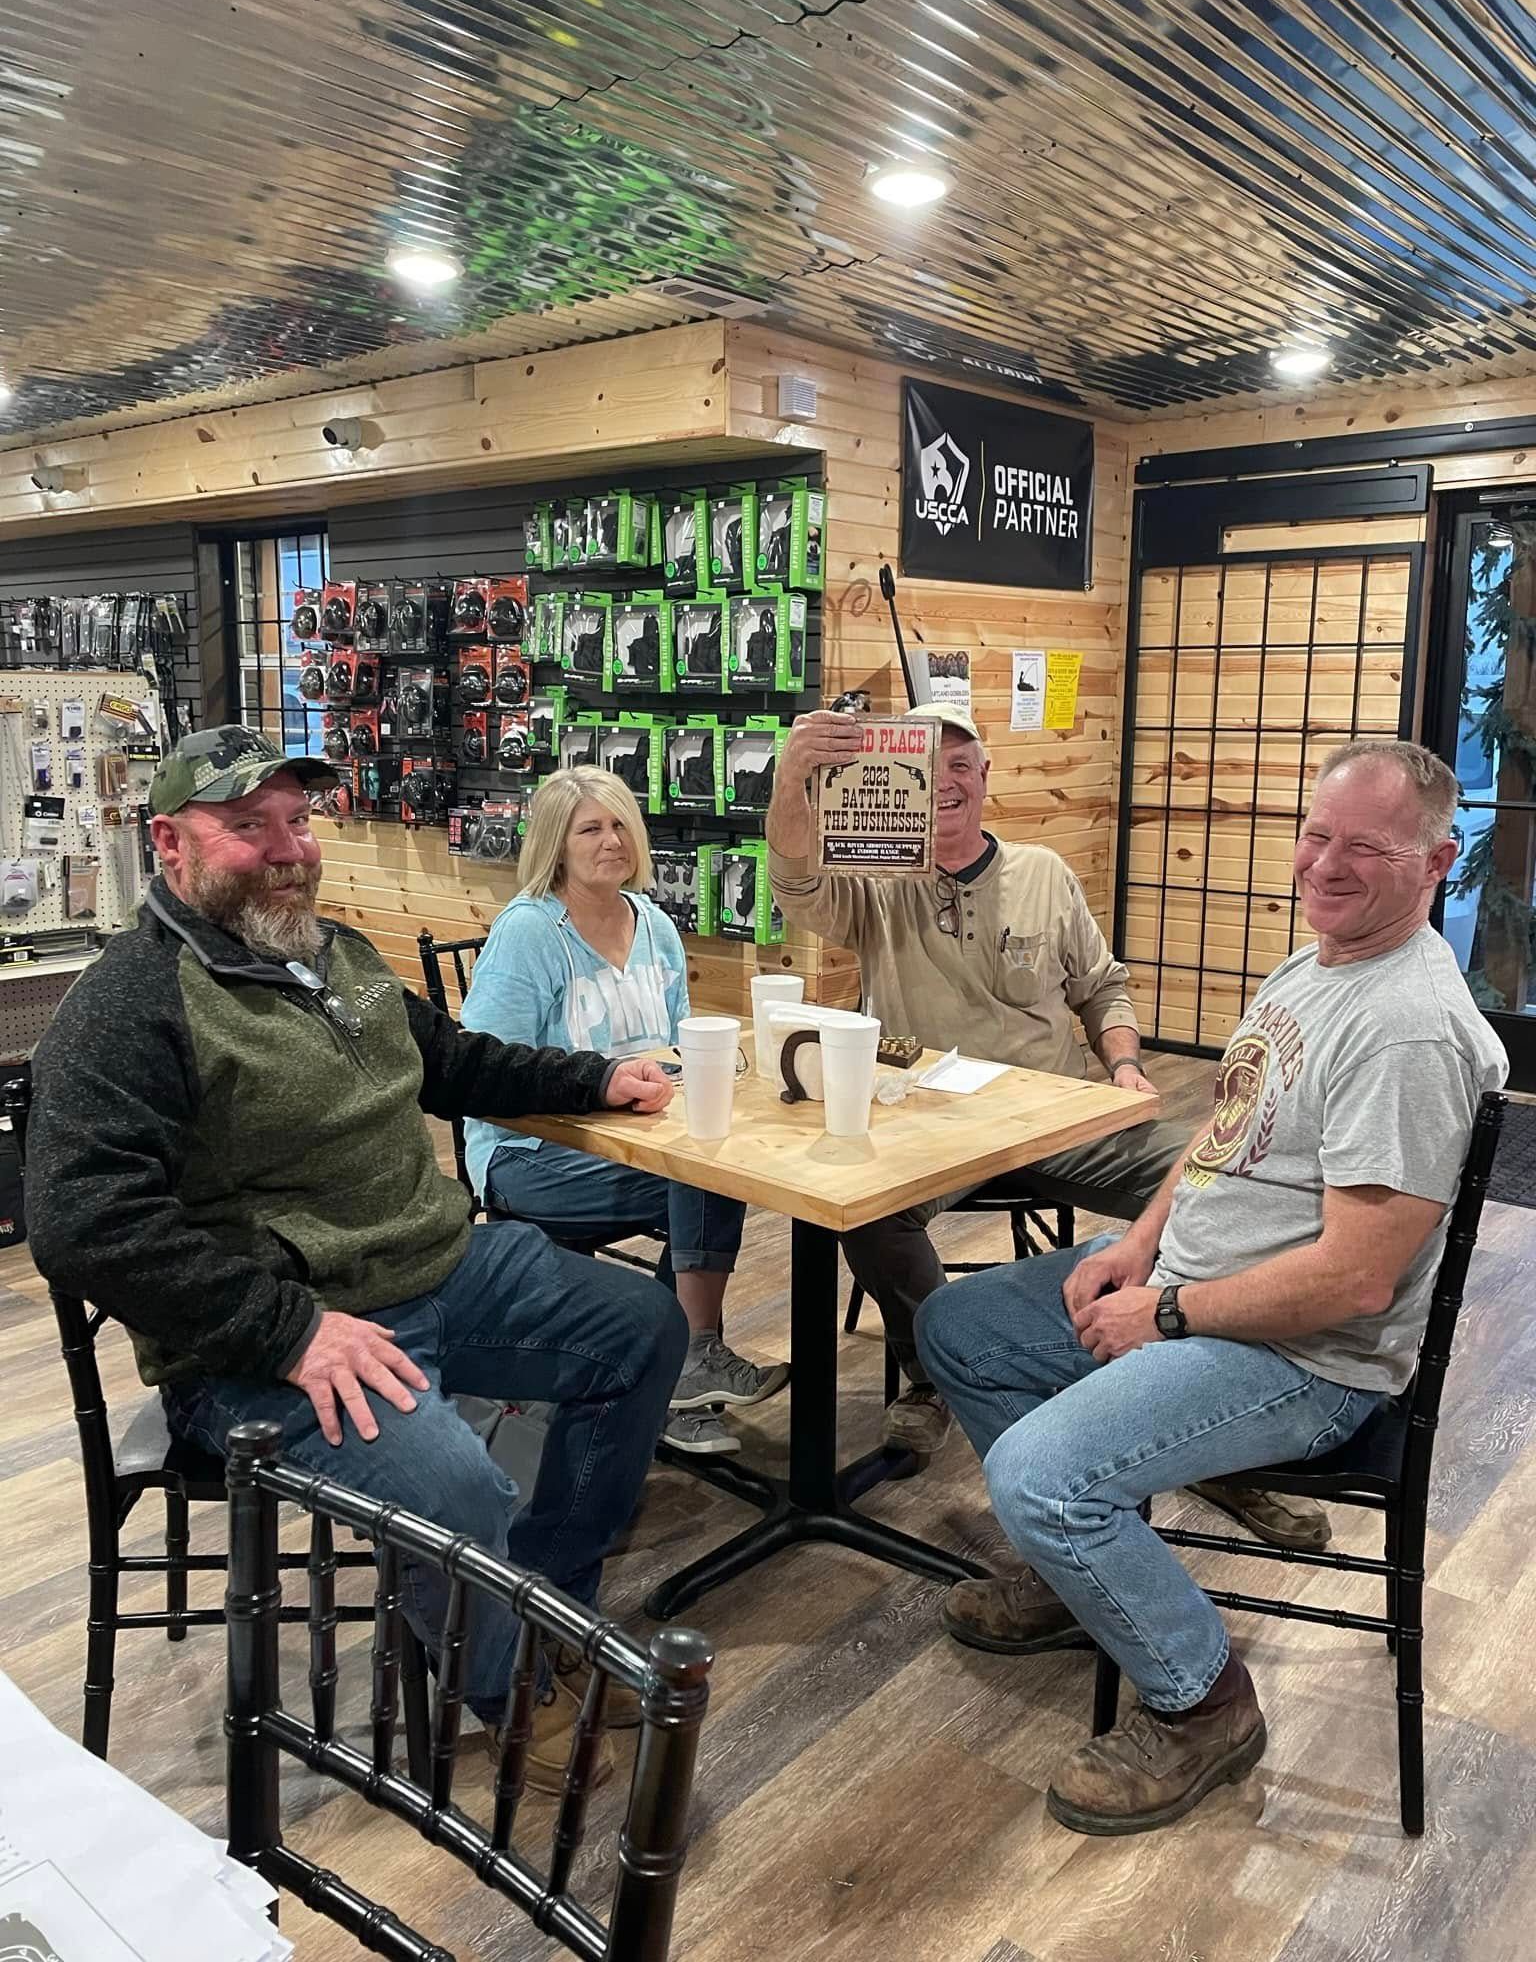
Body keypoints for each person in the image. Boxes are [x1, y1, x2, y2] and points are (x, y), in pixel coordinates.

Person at [24, 726, 689, 1795]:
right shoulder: (130, 1002)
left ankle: (538, 1607)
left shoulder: (335, 954)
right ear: (169, 843)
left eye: (297, 819)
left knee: (645, 1329)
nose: (289, 848)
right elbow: (81, 1220)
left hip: (432, 1269)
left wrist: (593, 1081)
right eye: (248, 826)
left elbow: (453, 1058)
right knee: (457, 1483)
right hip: (275, 1338)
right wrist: (288, 1328)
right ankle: (514, 1686)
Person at [916, 739, 1507, 1835]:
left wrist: (1168, 1311)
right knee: (959, 1324)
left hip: (1303, 1358)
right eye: (1317, 834)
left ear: (1436, 860)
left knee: (1040, 1474)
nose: (1325, 864)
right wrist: (1140, 1243)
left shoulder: (1408, 1026)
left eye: (1363, 847)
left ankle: (1204, 1701)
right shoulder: (1314, 963)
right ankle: (1078, 1574)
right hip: (1196, 1292)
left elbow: (1356, 1275)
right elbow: (1224, 1134)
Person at [766, 700, 1325, 1548]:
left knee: (1211, 1178)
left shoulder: (1043, 872)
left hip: (1056, 1112)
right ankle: (934, 1365)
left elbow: (1102, 986)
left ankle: (1209, 1408)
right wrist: (791, 777)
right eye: (929, 764)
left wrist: (1126, 1063)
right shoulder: (877, 877)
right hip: (928, 1118)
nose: (946, 780)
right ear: (902, 781)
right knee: (864, 1212)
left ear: (987, 778)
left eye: (963, 762)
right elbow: (796, 881)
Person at [463, 766, 788, 1457]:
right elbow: (484, 1071)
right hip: (527, 1154)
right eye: (590, 829)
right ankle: (691, 1360)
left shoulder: (656, 926)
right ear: (556, 843)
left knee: (710, 1165)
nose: (611, 841)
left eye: (619, 825)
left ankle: (678, 1371)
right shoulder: (530, 934)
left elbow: (675, 1044)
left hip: (635, 1139)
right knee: (700, 1176)